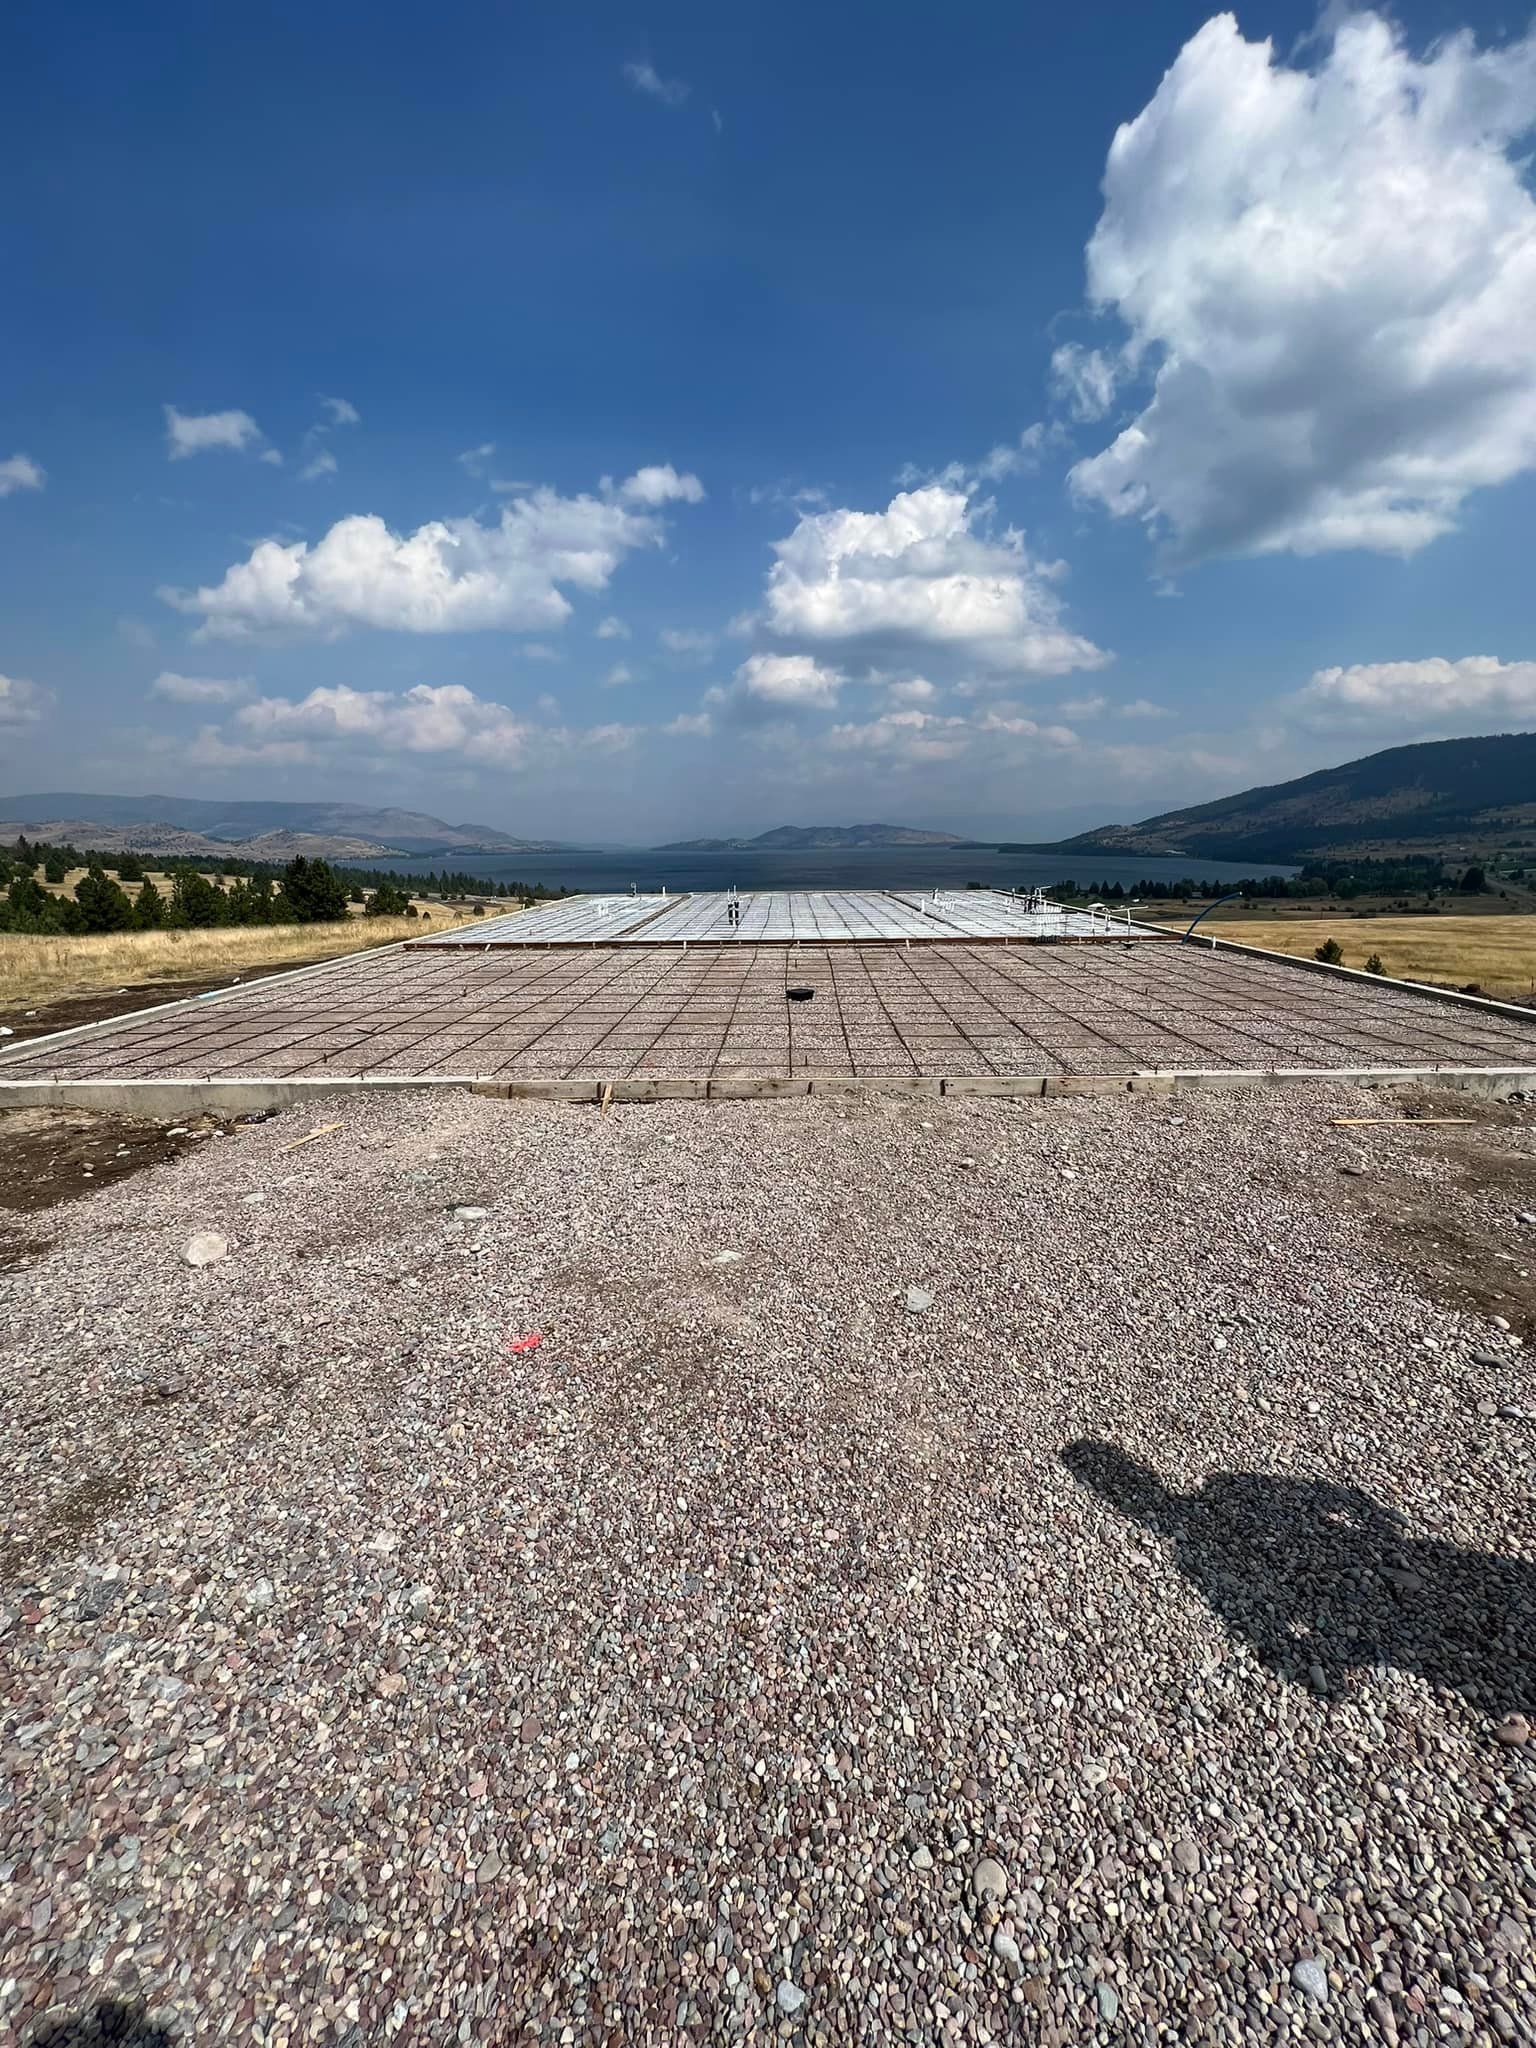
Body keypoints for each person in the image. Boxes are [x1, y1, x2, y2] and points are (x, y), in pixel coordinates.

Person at [1060, 1438, 1534, 1722]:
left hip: (1453, 1577)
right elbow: (1339, 1498)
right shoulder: (1206, 1521)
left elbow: (1339, 1495)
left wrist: (1370, 1519)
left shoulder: (1224, 1492)